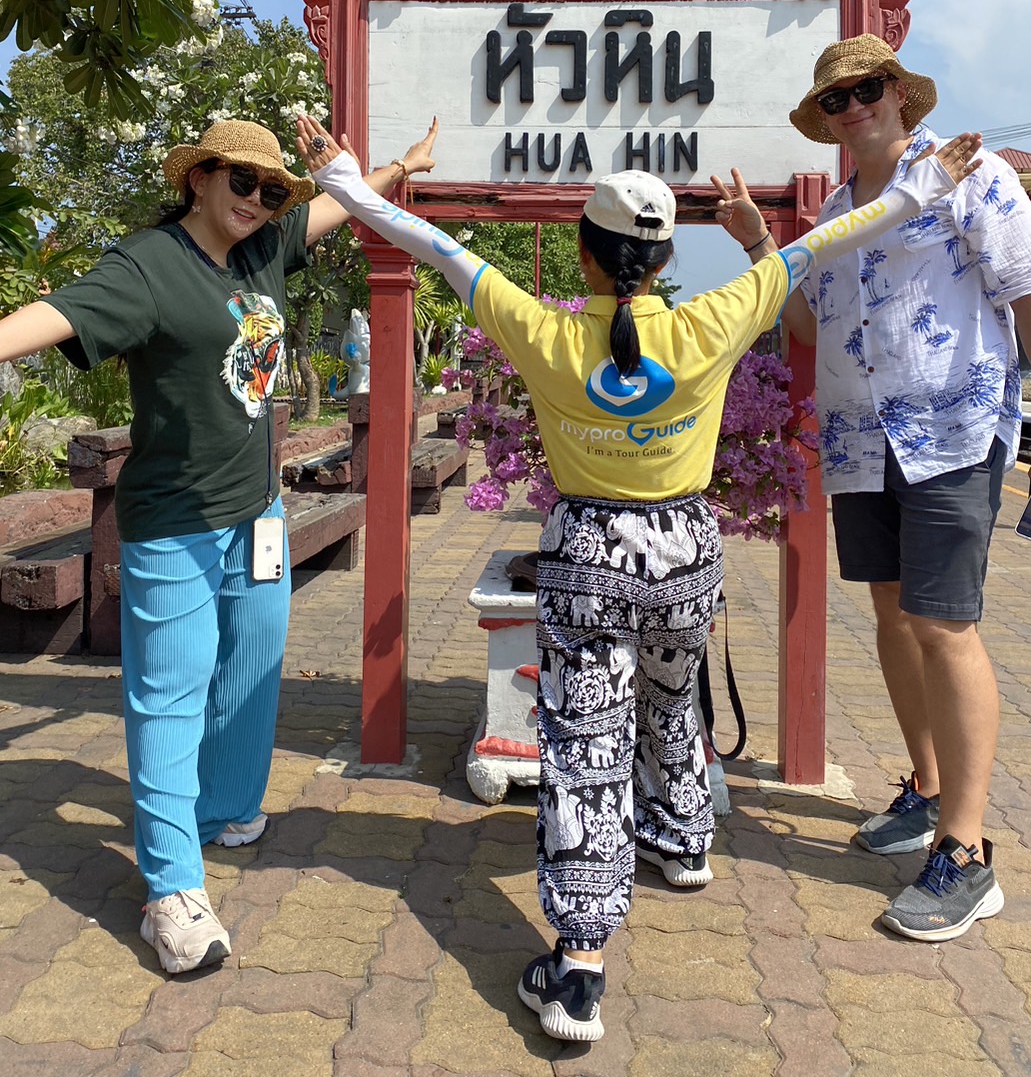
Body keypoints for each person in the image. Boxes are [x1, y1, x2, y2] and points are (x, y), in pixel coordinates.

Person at [296, 110, 979, 1042]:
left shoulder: (538, 328)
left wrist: (344, 181)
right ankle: (684, 841)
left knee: (584, 748)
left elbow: (432, 245)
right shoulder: (713, 318)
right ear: (660, 262)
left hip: (587, 556)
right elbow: (823, 241)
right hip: (686, 551)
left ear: (585, 255)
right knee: (670, 698)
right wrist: (918, 191)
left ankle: (578, 963)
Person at [0, 115, 438, 974]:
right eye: (242, 182)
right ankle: (170, 887)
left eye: (272, 189)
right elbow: (54, 314)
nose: (258, 201)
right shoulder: (149, 265)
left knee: (253, 666)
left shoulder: (259, 250)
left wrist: (394, 168)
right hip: (175, 524)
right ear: (197, 176)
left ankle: (227, 809)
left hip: (257, 512)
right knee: (170, 695)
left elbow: (328, 215)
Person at [713, 32, 1031, 943]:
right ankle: (926, 790)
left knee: (942, 622)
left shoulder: (971, 173)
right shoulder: (838, 211)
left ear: (899, 94)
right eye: (837, 99)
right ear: (826, 121)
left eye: (869, 87)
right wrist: (761, 244)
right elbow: (803, 319)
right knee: (891, 615)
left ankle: (966, 852)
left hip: (954, 431)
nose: (855, 106)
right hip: (858, 441)